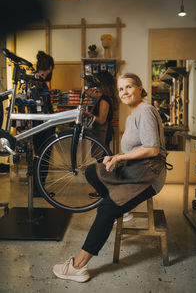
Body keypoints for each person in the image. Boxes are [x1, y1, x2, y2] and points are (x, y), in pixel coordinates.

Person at [52, 73, 167, 283]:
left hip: (149, 176)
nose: (124, 92)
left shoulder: (146, 111)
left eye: (129, 87)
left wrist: (119, 157)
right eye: (121, 89)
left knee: (106, 210)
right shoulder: (133, 115)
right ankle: (121, 207)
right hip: (135, 170)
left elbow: (152, 149)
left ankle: (78, 267)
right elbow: (136, 149)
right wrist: (113, 157)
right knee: (91, 171)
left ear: (140, 89)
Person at [85, 71, 117, 199]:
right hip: (99, 133)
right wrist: (89, 84)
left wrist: (90, 115)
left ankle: (103, 189)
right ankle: (103, 188)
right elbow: (88, 93)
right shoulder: (101, 96)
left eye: (97, 81)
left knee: (102, 162)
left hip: (103, 133)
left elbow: (102, 120)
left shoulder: (104, 100)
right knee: (101, 160)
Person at [31, 51, 55, 196]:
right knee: (42, 158)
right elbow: (42, 108)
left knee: (40, 157)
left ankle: (38, 189)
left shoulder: (34, 80)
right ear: (50, 68)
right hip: (43, 126)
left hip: (38, 125)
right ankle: (39, 190)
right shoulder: (39, 84)